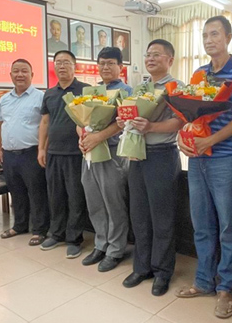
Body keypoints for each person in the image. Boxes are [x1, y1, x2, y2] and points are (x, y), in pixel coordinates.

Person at [175, 16, 232, 319]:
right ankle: (203, 281)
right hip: (197, 157)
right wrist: (184, 139)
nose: (209, 40)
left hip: (226, 157)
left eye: (215, 34)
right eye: (205, 35)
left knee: (227, 226)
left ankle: (227, 287)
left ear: (228, 37)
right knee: (201, 223)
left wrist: (210, 140)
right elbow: (190, 115)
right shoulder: (199, 73)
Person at [119, 39, 184, 296]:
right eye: (148, 54)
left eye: (157, 54)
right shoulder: (141, 87)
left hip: (162, 155)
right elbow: (132, 118)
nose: (150, 58)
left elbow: (180, 121)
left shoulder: (176, 88)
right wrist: (124, 120)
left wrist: (151, 127)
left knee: (162, 218)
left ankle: (162, 271)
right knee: (140, 215)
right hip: (137, 155)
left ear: (170, 59)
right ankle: (141, 267)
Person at [79, 47, 132, 272]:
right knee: (95, 202)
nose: (105, 67)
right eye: (101, 63)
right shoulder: (93, 90)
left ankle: (115, 249)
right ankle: (101, 244)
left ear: (120, 67)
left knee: (113, 203)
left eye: (110, 63)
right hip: (90, 153)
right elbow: (80, 119)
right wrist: (82, 137)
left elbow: (123, 124)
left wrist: (98, 137)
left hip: (112, 153)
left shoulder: (126, 92)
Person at [38, 50, 90, 258]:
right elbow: (45, 122)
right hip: (53, 152)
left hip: (75, 153)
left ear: (74, 66)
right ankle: (56, 233)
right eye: (58, 62)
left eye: (66, 62)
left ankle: (74, 238)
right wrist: (41, 148)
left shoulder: (85, 90)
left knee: (75, 197)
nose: (61, 66)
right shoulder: (49, 93)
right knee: (55, 196)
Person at [0, 59, 50, 246]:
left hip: (32, 153)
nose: (20, 75)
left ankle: (40, 230)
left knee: (37, 192)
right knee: (16, 191)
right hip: (9, 154)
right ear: (10, 75)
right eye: (16, 71)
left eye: (24, 71)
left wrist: (43, 149)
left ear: (32, 75)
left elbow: (46, 125)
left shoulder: (40, 97)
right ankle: (19, 225)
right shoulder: (4, 100)